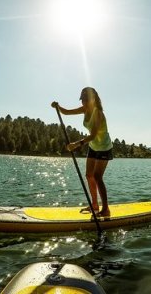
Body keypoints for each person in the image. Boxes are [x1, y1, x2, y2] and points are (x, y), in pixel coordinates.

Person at [51, 87, 113, 217]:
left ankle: (106, 210)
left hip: (104, 147)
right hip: (94, 146)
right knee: (89, 175)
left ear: (93, 99)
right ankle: (94, 205)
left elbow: (94, 135)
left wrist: (76, 144)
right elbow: (67, 112)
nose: (83, 103)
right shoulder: (85, 109)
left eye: (86, 100)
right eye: (82, 100)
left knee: (97, 177)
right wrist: (58, 107)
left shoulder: (98, 113)